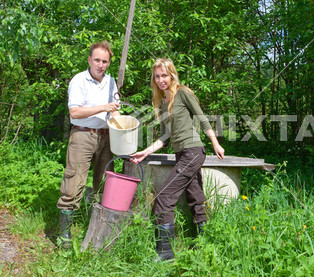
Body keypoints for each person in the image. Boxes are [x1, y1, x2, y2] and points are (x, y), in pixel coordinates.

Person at [130, 58, 225, 262]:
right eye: (157, 76)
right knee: (196, 199)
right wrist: (145, 152)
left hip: (193, 152)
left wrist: (215, 143)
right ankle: (204, 247)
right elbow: (165, 136)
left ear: (171, 74)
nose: (161, 79)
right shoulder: (163, 103)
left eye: (164, 75)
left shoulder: (182, 92)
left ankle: (165, 253)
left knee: (164, 197)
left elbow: (202, 118)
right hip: (182, 154)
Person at [57, 41, 120, 249]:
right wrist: (104, 107)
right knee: (74, 182)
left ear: (109, 63)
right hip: (83, 136)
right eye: (97, 60)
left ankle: (98, 228)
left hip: (106, 136)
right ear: (89, 60)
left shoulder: (111, 82)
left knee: (104, 182)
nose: (100, 65)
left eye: (105, 61)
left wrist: (121, 125)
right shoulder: (78, 81)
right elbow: (75, 112)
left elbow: (115, 110)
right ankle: (64, 234)